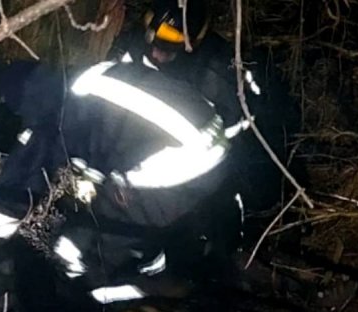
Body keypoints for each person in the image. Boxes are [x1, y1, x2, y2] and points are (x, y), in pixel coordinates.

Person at [0, 57, 245, 312]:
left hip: (180, 159)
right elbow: (111, 140)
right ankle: (152, 263)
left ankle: (103, 309)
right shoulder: (87, 80)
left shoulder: (54, 116)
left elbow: (17, 191)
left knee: (75, 251)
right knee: (116, 222)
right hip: (207, 143)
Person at [115, 0, 300, 213]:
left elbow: (220, 143)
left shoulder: (216, 76)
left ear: (192, 43)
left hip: (231, 152)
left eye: (168, 50)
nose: (157, 55)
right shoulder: (137, 45)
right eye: (155, 45)